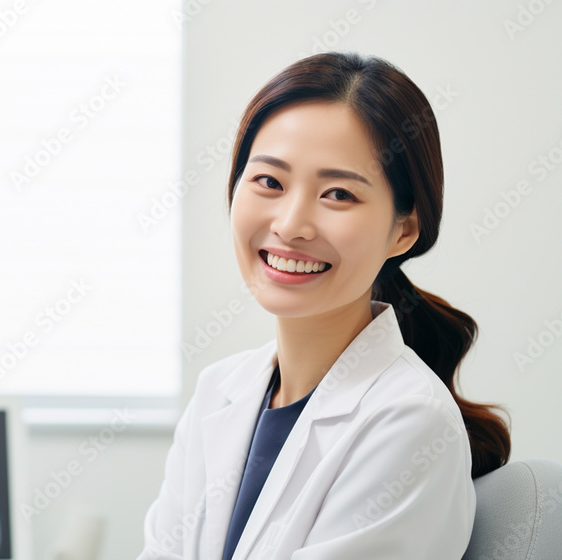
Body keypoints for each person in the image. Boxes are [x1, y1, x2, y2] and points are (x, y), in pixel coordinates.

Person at [137, 51, 512, 560]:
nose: (291, 225)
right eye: (269, 181)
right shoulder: (217, 391)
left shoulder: (409, 423)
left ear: (403, 229)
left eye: (337, 194)